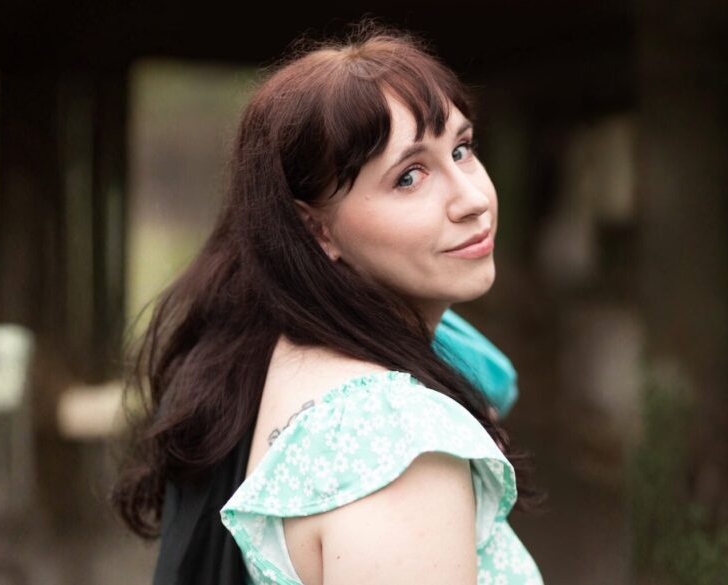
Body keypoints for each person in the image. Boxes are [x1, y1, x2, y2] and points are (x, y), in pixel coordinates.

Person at [113, 22, 545, 585]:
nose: (471, 199)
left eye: (461, 149)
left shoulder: (273, 344)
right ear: (316, 229)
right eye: (409, 176)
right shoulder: (394, 446)